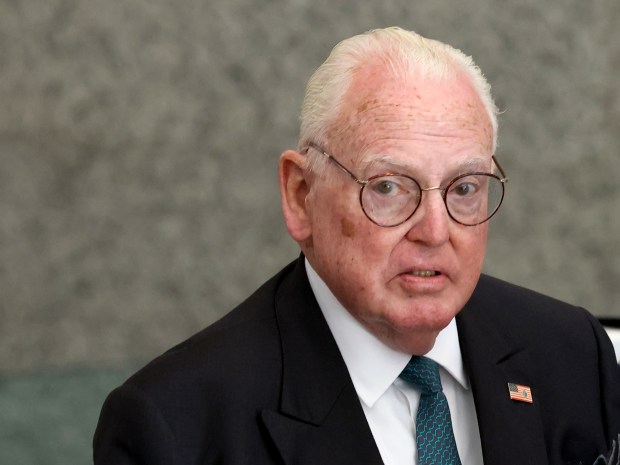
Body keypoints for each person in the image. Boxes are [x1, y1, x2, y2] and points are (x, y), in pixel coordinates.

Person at [93, 27, 620, 465]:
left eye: (464, 189)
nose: (435, 231)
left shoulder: (574, 354)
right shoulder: (174, 428)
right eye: (388, 187)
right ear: (301, 196)